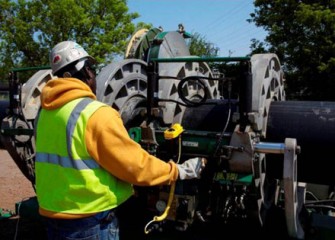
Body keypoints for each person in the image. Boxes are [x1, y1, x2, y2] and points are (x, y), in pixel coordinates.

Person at [35, 40, 206, 240]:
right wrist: (177, 171)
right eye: (91, 69)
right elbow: (136, 166)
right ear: (86, 72)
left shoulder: (45, 114)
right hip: (90, 221)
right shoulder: (95, 114)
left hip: (52, 215)